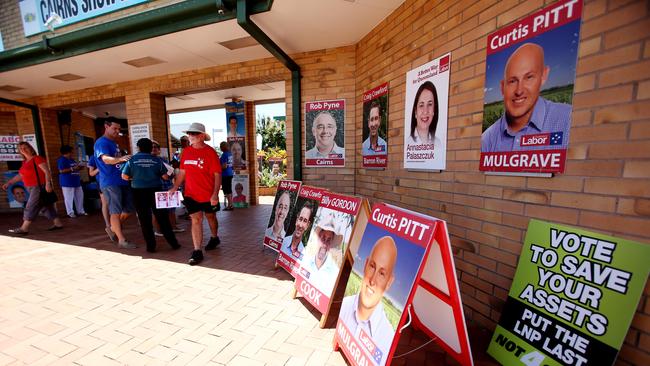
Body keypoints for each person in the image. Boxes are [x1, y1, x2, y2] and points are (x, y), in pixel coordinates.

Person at [481, 43, 572, 152]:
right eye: (512, 81)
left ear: (543, 76)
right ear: (502, 87)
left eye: (529, 77)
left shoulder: (568, 120)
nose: (519, 91)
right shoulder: (487, 139)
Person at [339, 236, 398, 366]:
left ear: (389, 283)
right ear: (365, 265)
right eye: (372, 266)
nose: (372, 280)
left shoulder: (387, 338)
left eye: (382, 274)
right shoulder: (344, 306)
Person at [169, 122, 222, 265]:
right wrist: (175, 187)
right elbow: (182, 172)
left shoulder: (210, 152)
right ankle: (197, 251)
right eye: (189, 133)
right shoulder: (186, 152)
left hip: (208, 193)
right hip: (191, 194)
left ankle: (214, 237)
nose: (191, 136)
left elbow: (217, 175)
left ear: (202, 136)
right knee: (196, 219)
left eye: (194, 134)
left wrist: (215, 194)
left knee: (210, 217)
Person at [121, 138, 180, 253]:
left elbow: (124, 176)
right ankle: (174, 244)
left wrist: (135, 178)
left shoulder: (132, 160)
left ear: (138, 147)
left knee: (145, 220)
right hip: (155, 191)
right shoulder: (156, 160)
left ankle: (151, 247)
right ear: (150, 148)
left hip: (138, 192)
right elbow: (165, 177)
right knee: (163, 218)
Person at [2, 142, 63, 235]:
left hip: (38, 187)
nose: (23, 150)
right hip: (30, 187)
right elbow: (21, 175)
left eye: (25, 148)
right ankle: (58, 223)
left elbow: (47, 171)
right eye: (21, 149)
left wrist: (48, 184)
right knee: (46, 206)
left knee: (30, 206)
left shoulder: (37, 158)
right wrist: (9, 182)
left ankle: (24, 228)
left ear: (31, 148)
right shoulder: (24, 162)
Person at [94, 119, 135, 249]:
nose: (118, 131)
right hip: (110, 182)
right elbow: (105, 159)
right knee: (115, 212)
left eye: (119, 129)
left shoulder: (113, 143)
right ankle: (121, 240)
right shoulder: (101, 142)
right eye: (115, 129)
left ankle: (113, 228)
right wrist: (120, 159)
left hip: (122, 180)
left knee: (129, 209)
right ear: (106, 126)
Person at [302, 214, 343, 294]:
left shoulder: (334, 271)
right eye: (323, 238)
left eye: (328, 240)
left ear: (331, 244)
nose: (325, 244)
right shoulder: (306, 259)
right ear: (318, 238)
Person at [151, 140, 184, 235]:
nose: (154, 149)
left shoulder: (163, 159)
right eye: (152, 147)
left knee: (171, 208)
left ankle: (173, 227)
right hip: (157, 187)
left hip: (168, 186)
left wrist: (173, 174)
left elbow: (171, 173)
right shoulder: (150, 161)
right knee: (156, 210)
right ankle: (157, 230)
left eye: (156, 147)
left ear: (159, 150)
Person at [406, 81, 441, 146]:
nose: (425, 111)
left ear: (434, 110)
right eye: (421, 105)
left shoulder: (438, 143)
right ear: (415, 112)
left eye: (430, 104)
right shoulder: (407, 143)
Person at [57, 145, 87, 218]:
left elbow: (74, 168)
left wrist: (80, 167)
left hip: (76, 181)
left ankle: (80, 211)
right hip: (67, 182)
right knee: (68, 198)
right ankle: (70, 212)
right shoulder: (62, 160)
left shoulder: (72, 160)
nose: (72, 153)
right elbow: (61, 171)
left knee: (80, 196)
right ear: (67, 152)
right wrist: (73, 169)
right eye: (71, 151)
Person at [87, 155, 111, 232]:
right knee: (105, 203)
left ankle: (116, 223)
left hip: (113, 182)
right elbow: (91, 173)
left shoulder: (111, 154)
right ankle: (108, 225)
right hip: (101, 183)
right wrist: (100, 168)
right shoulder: (93, 157)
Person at [220, 141, 234, 210]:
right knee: (229, 189)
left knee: (226, 190)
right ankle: (231, 204)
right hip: (230, 173)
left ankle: (230, 205)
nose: (220, 148)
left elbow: (224, 166)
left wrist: (217, 168)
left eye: (220, 146)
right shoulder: (230, 154)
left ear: (223, 147)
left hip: (225, 174)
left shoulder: (224, 155)